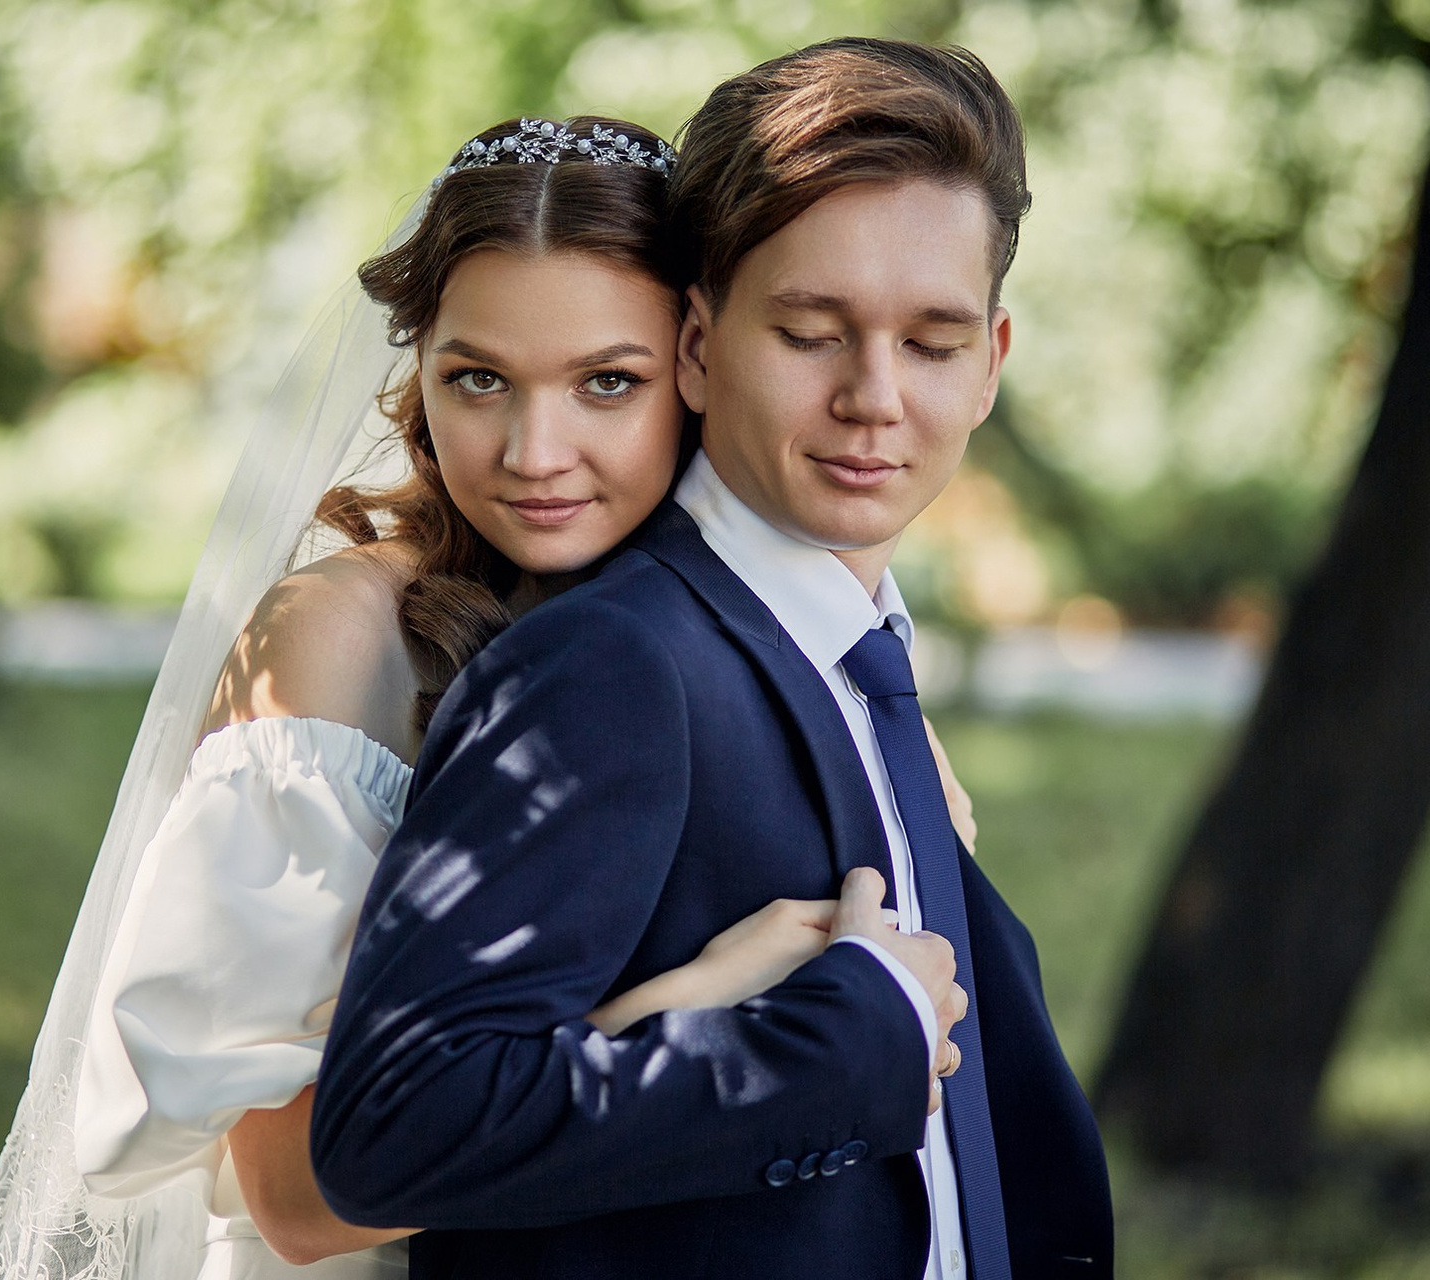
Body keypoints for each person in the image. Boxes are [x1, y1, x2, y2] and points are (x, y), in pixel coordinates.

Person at [0, 112, 983, 1280]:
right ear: (420, 373)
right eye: (480, 379)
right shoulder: (340, 639)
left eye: (608, 382)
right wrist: (700, 1008)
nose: (534, 451)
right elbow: (294, 1194)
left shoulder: (753, 641)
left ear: (700, 363)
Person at [310, 39, 1114, 1280]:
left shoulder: (860, 663)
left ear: (993, 363)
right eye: (811, 333)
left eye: (933, 343)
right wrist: (831, 1050)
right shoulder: (611, 665)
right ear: (696, 345)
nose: (874, 396)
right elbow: (389, 1130)